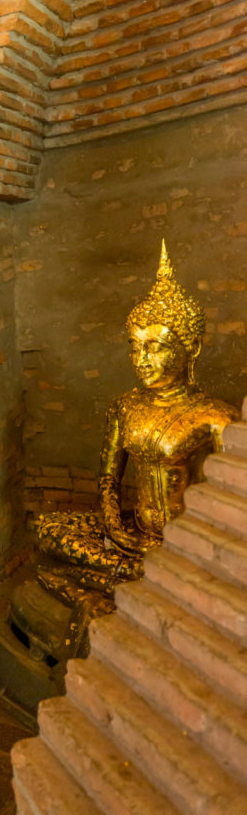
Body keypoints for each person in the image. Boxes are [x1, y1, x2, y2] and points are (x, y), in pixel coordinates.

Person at [35, 240, 239, 596]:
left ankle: (124, 576)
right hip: (132, 532)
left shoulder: (215, 417)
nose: (140, 359)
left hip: (186, 540)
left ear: (190, 348)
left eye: (154, 347)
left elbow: (232, 507)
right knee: (49, 529)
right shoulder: (125, 406)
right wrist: (115, 528)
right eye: (134, 345)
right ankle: (138, 572)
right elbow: (108, 480)